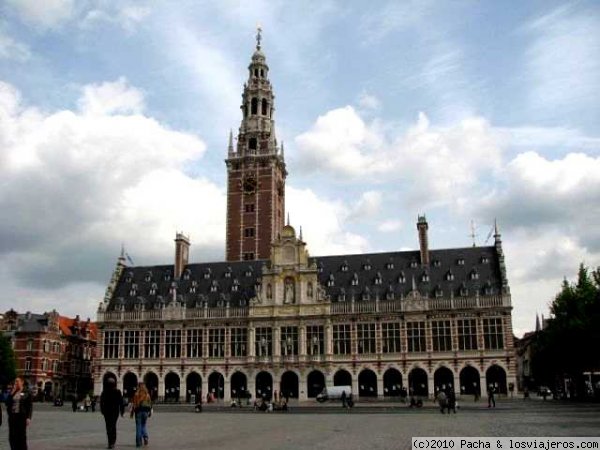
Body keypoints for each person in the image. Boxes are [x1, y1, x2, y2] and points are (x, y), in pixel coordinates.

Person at [6, 376, 33, 450]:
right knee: (12, 436)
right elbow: (7, 403)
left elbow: (30, 406)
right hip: (12, 417)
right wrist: (12, 392)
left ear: (22, 382)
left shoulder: (26, 392)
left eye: (17, 381)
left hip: (21, 417)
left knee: (21, 436)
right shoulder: (13, 391)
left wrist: (28, 417)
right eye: (15, 381)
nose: (16, 383)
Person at [100, 378, 125, 449]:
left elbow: (102, 402)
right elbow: (121, 402)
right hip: (115, 412)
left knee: (108, 426)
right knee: (113, 426)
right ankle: (112, 442)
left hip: (107, 411)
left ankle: (109, 442)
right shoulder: (118, 392)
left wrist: (102, 410)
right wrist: (122, 411)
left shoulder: (105, 392)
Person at [130, 383, 152, 448]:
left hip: (138, 412)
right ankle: (145, 437)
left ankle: (139, 442)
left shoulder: (136, 394)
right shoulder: (147, 394)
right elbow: (150, 404)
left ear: (138, 387)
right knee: (144, 425)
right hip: (145, 412)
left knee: (138, 426)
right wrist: (150, 412)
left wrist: (132, 412)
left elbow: (134, 404)